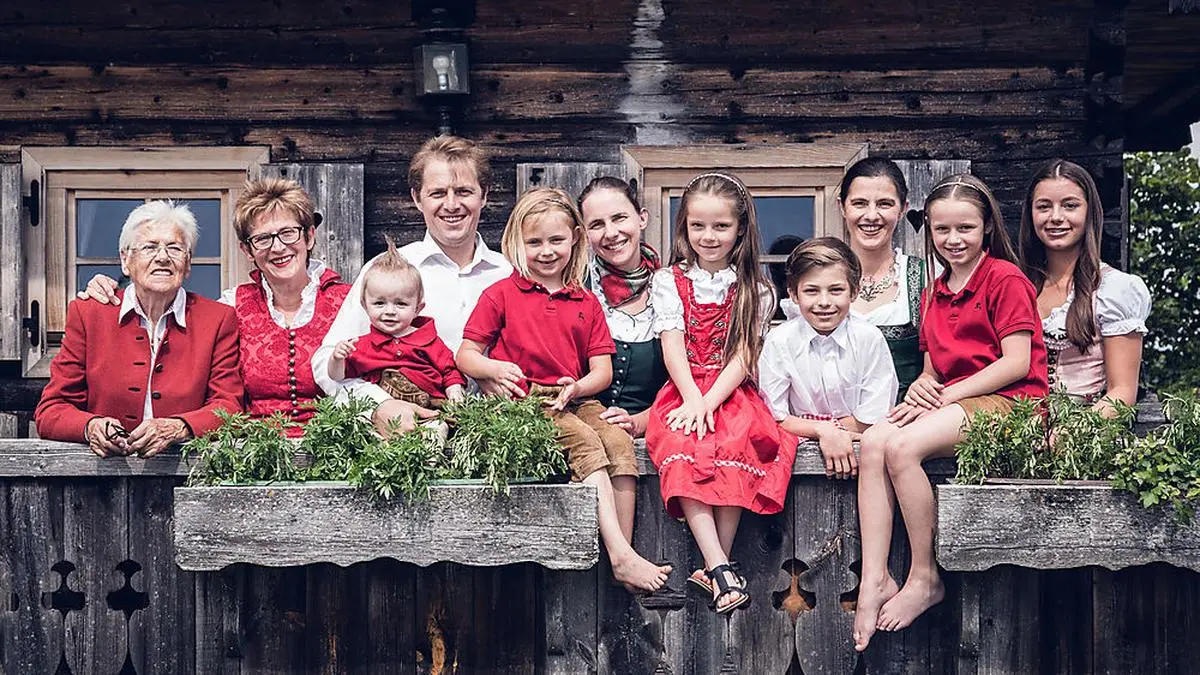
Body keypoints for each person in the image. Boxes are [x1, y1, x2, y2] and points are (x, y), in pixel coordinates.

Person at [852, 174, 1048, 651]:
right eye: (942, 231)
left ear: (986, 228)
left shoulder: (1004, 277)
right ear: (929, 232)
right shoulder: (936, 289)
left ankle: (924, 576)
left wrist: (947, 395)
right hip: (958, 398)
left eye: (965, 229)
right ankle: (874, 577)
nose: (953, 240)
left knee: (902, 446)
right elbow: (930, 369)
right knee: (875, 439)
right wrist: (923, 388)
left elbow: (1017, 362)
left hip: (1013, 404)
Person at [456, 187, 671, 593]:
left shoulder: (585, 301)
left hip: (573, 396)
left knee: (618, 441)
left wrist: (576, 388)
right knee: (586, 441)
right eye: (534, 242)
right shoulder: (502, 293)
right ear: (517, 243)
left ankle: (622, 550)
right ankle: (621, 556)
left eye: (556, 240)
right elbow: (466, 355)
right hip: (524, 403)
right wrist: (495, 368)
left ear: (574, 237)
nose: (546, 251)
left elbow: (601, 372)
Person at [79, 178, 351, 436]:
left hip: (337, 456)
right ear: (248, 251)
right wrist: (107, 285)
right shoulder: (232, 306)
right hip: (251, 460)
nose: (278, 247)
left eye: (289, 233)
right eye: (262, 239)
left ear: (310, 236)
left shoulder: (350, 302)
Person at [644, 172, 798, 615]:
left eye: (720, 227)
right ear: (684, 228)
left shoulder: (758, 289)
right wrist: (693, 399)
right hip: (684, 387)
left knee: (736, 443)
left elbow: (745, 355)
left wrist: (711, 403)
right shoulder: (669, 281)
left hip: (732, 391)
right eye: (697, 226)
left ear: (740, 230)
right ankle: (720, 566)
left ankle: (713, 568)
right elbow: (672, 345)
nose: (708, 236)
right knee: (681, 444)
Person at [315, 135, 512, 433]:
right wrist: (378, 405)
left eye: (463, 191)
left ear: (484, 196)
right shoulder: (388, 270)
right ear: (417, 198)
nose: (451, 204)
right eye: (437, 193)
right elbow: (324, 364)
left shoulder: (509, 274)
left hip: (500, 437)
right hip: (411, 438)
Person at [37, 201, 244, 456]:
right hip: (102, 481)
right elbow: (52, 410)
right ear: (126, 260)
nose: (163, 257)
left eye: (175, 248)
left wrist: (179, 427)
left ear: (188, 263)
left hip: (187, 474)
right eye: (149, 247)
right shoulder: (89, 314)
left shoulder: (217, 319)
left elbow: (229, 407)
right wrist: (91, 426)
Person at [758, 238, 898, 481]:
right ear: (793, 293)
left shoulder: (869, 339)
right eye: (811, 291)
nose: (824, 302)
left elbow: (872, 416)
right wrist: (824, 432)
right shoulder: (780, 341)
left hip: (862, 463)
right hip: (795, 470)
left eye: (836, 290)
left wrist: (829, 431)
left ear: (854, 292)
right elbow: (774, 416)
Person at [1018, 159, 1151, 415]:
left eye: (1070, 206)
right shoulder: (1016, 284)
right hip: (1015, 436)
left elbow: (1121, 393)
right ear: (1030, 214)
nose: (1056, 217)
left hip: (1083, 440)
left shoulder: (1114, 289)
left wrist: (1068, 437)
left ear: (1090, 212)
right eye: (1044, 206)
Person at [577, 176, 668, 438]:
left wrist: (640, 421)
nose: (611, 233)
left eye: (619, 218)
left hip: (656, 440)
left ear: (642, 218)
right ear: (585, 234)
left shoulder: (672, 290)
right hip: (587, 438)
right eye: (597, 224)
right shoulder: (577, 289)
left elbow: (692, 381)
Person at [327, 238, 466, 407]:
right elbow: (337, 376)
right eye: (379, 303)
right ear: (365, 306)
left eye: (401, 304)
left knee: (436, 425)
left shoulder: (428, 341)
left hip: (430, 404)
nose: (390, 311)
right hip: (386, 414)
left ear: (418, 308)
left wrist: (454, 390)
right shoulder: (363, 346)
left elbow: (449, 370)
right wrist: (336, 358)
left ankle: (435, 429)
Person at [837, 158, 927, 401]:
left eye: (885, 204)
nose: (871, 215)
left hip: (905, 426)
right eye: (859, 203)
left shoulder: (924, 278)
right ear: (842, 207)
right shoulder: (820, 279)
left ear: (903, 208)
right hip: (828, 425)